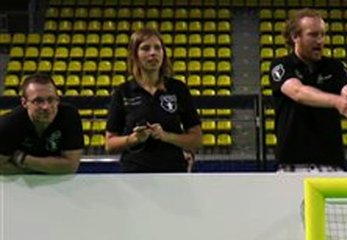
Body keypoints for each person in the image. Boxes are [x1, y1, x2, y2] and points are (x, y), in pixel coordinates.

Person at [270, 9, 347, 172]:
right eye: (313, 35)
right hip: (292, 164)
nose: (320, 41)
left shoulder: (334, 66)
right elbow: (298, 92)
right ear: (295, 36)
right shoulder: (281, 65)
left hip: (332, 164)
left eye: (323, 34)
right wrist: (336, 101)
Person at [105, 28, 202, 173]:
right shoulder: (122, 91)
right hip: (134, 175)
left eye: (158, 48)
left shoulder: (178, 89)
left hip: (173, 174)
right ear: (135, 55)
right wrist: (134, 139)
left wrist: (166, 136)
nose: (153, 53)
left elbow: (196, 140)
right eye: (145, 48)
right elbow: (110, 144)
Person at [0, 73, 83, 174]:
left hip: (59, 184)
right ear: (24, 103)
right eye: (38, 101)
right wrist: (50, 167)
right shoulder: (9, 124)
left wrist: (22, 159)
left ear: (58, 100)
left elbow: (70, 166)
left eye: (51, 99)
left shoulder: (69, 116)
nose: (46, 107)